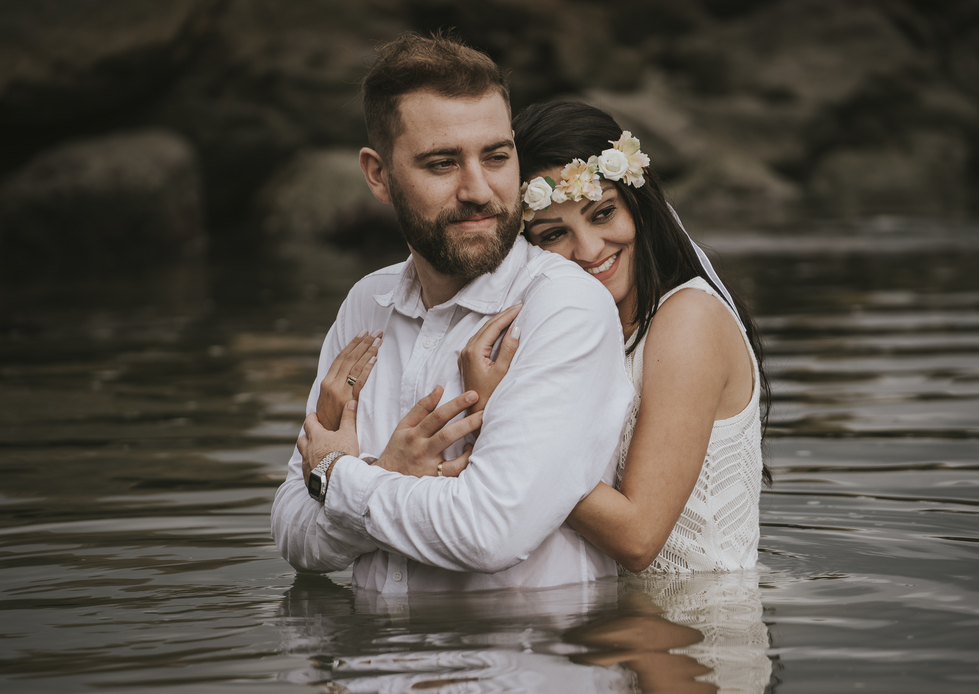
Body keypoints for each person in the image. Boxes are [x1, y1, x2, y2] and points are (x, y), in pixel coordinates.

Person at [329, 100, 770, 575]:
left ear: (638, 207)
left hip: (697, 622)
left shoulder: (687, 320)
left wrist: (496, 413)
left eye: (602, 214)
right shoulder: (551, 326)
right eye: (554, 233)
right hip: (609, 618)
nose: (589, 250)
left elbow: (639, 538)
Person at [271, 34, 634, 593]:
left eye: (496, 157)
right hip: (376, 665)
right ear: (378, 175)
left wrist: (341, 478)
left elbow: (491, 533)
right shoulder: (367, 303)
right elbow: (294, 535)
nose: (478, 189)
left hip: (516, 665)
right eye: (442, 163)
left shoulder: (562, 305)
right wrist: (384, 477)